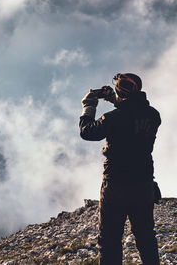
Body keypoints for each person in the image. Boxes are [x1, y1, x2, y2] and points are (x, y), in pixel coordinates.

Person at [79, 73, 161, 265]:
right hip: (144, 185)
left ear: (119, 91)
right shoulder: (153, 115)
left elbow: (88, 132)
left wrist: (88, 107)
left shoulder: (111, 118)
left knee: (110, 240)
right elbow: (134, 113)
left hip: (115, 186)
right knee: (146, 237)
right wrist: (116, 100)